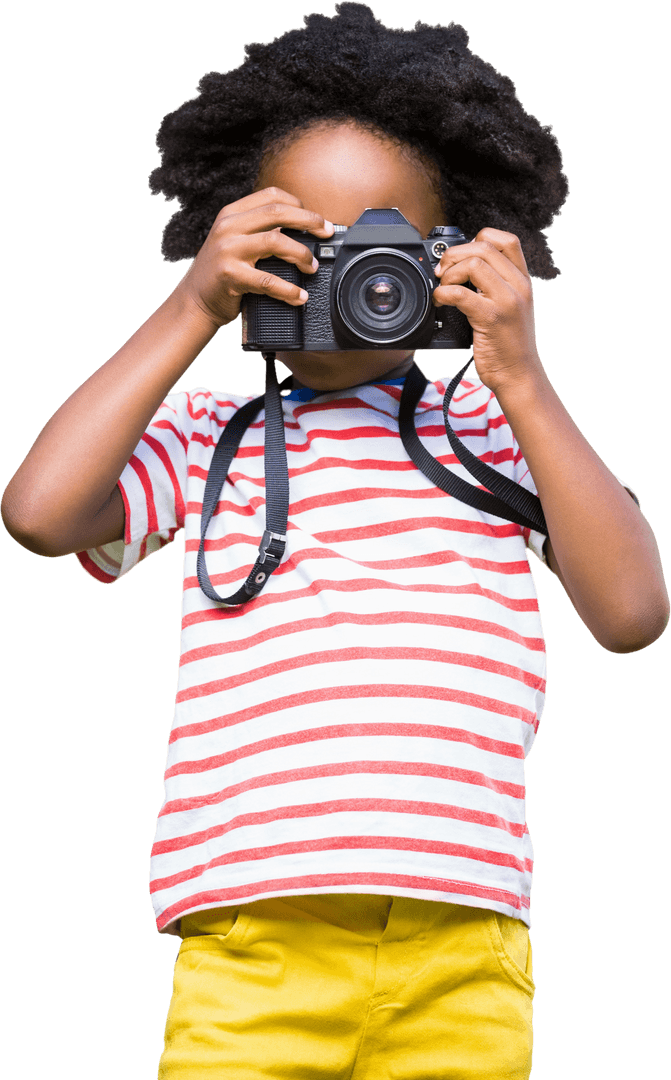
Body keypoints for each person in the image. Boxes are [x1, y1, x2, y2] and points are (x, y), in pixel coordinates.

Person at [2, 4, 668, 1078]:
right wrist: (190, 310)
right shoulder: (205, 436)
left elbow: (631, 614)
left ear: (450, 254)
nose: (346, 284)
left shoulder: (496, 432)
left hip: (464, 945)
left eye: (379, 249)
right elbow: (38, 513)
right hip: (248, 946)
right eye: (305, 245)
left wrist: (522, 375)